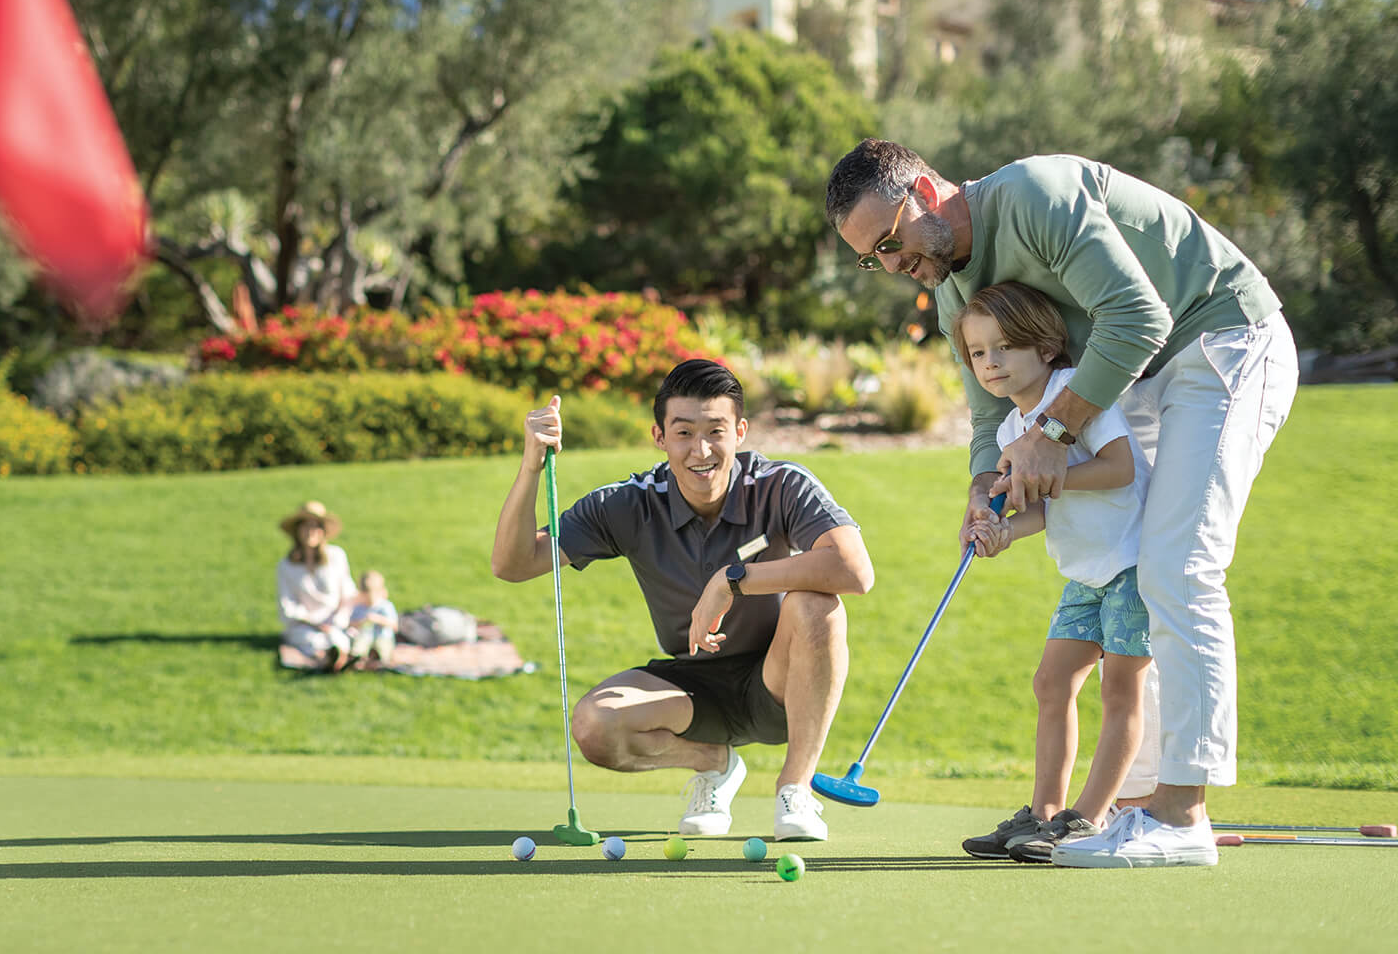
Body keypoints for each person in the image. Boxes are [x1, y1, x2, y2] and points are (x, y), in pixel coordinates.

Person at [825, 139, 1300, 868]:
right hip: (1137, 377)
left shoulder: (1035, 195)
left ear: (926, 187)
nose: (892, 266)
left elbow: (1138, 317)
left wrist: (1053, 431)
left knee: (1178, 569)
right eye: (873, 258)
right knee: (1145, 571)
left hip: (1221, 337)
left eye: (891, 242)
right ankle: (1127, 810)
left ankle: (1180, 818)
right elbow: (989, 422)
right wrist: (985, 496)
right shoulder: (953, 285)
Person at [491, 359, 875, 841]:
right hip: (690, 687)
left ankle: (795, 788)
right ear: (659, 436)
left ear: (740, 431)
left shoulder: (781, 485)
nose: (702, 450)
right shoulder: (628, 503)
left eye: (716, 431)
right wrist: (531, 465)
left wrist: (730, 580)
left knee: (818, 605)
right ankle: (715, 763)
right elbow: (513, 563)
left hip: (778, 681)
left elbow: (855, 570)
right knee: (593, 725)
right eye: (684, 433)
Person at [949, 282, 1156, 864]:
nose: (990, 363)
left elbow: (1117, 469)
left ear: (1044, 348)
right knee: (1051, 682)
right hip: (1085, 573)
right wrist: (1002, 532)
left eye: (1004, 348)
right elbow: (1041, 507)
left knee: (1120, 688)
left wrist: (1048, 474)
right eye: (978, 353)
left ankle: (1087, 818)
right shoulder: (1011, 432)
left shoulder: (1074, 394)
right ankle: (1041, 814)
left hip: (1131, 563)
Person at [276, 500, 356, 672]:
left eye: (315, 527)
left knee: (339, 638)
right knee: (312, 640)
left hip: (335, 621)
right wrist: (314, 622)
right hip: (305, 624)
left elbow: (348, 594)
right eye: (305, 527)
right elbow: (287, 605)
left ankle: (336, 657)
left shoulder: (336, 557)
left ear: (323, 531)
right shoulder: (287, 565)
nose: (310, 532)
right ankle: (329, 658)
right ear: (297, 531)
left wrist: (338, 619)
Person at [347, 570, 399, 667]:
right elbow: (350, 623)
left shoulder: (385, 606)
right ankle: (357, 658)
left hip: (382, 636)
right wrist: (361, 622)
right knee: (359, 644)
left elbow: (394, 625)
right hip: (364, 636)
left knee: (383, 647)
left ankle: (379, 659)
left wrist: (379, 619)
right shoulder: (359, 607)